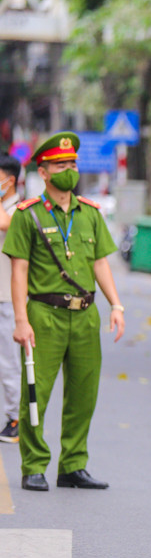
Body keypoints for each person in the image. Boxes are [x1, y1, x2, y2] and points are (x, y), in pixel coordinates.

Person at [3, 132, 125, 491]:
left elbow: (100, 262)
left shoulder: (90, 213)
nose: (69, 170)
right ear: (44, 172)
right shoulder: (28, 215)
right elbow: (19, 270)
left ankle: (73, 464)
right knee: (35, 393)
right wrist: (21, 321)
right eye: (61, 165)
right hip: (44, 315)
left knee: (83, 393)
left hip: (86, 315)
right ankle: (34, 465)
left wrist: (116, 304)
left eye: (72, 164)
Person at [0, 154, 22, 442]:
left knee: (9, 363)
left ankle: (15, 418)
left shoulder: (20, 210)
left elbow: (5, 225)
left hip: (8, 298)